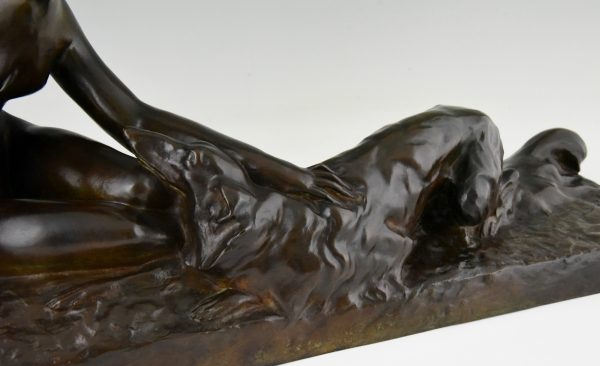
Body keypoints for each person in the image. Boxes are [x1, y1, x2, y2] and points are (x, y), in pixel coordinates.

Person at [0, 0, 505, 275]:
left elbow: (132, 115)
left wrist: (285, 175)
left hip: (14, 146)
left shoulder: (45, 11)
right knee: (160, 236)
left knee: (170, 199)